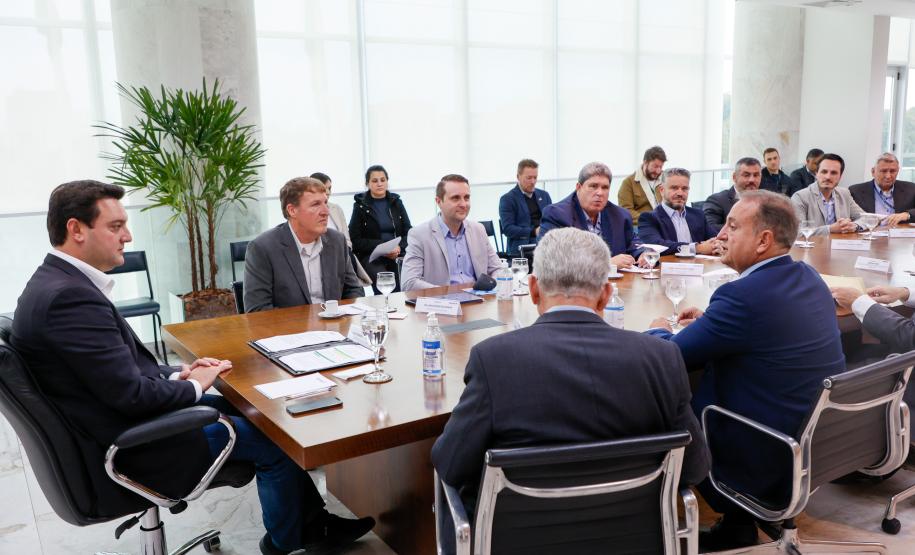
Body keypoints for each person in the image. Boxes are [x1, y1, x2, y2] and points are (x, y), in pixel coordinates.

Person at [10, 180, 375, 555]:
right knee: (274, 438)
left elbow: (110, 375)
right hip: (131, 445)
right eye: (115, 226)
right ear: (76, 230)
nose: (128, 235)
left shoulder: (55, 284)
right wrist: (195, 386)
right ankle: (290, 541)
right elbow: (130, 395)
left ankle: (311, 521)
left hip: (117, 425)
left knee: (262, 411)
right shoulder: (68, 298)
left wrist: (178, 374)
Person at [431, 227, 711, 555]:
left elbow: (449, 464)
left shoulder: (492, 360)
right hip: (632, 540)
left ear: (533, 289)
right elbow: (695, 468)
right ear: (606, 294)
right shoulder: (661, 358)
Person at [645, 190, 845, 550]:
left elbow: (671, 355)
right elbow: (763, 329)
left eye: (733, 226)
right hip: (812, 441)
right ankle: (737, 524)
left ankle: (647, 519)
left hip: (760, 448)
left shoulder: (742, 297)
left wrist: (657, 327)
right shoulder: (808, 276)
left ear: (763, 241)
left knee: (665, 397)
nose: (721, 234)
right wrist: (711, 323)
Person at [244, 177, 363, 312]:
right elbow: (258, 311)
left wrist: (340, 319)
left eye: (326, 203)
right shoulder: (262, 248)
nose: (326, 212)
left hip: (334, 329)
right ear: (292, 210)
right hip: (290, 331)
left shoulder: (337, 241)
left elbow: (353, 290)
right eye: (315, 204)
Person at [401, 174, 502, 291]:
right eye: (455, 198)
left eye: (467, 197)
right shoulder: (419, 234)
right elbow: (409, 283)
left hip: (480, 301)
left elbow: (498, 270)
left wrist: (489, 285)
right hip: (442, 304)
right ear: (439, 202)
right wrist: (449, 292)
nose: (463, 204)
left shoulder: (478, 229)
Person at [538, 161, 646, 268]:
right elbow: (550, 260)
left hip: (619, 284)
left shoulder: (620, 216)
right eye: (593, 186)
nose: (600, 193)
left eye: (605, 187)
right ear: (578, 187)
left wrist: (642, 253)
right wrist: (606, 264)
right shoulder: (556, 214)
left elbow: (633, 242)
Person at [349, 165, 412, 293]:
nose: (379, 184)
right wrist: (382, 247)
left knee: (404, 286)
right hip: (372, 256)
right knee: (385, 285)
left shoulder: (396, 202)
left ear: (387, 182)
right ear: (367, 183)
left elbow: (409, 232)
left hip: (397, 253)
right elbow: (355, 240)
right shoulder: (360, 206)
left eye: (383, 180)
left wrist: (399, 247)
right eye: (375, 180)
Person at [636, 168, 721, 255]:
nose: (680, 193)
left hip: (701, 265)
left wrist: (717, 244)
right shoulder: (649, 218)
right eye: (674, 188)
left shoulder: (698, 215)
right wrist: (696, 248)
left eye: (684, 189)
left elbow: (715, 239)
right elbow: (656, 246)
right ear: (662, 190)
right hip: (668, 267)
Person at [309, 171, 371, 285]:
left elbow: (347, 239)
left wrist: (341, 251)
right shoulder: (307, 212)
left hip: (341, 255)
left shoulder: (336, 209)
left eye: (329, 188)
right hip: (318, 256)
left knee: (353, 283)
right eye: (323, 188)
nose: (327, 192)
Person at [791, 152, 864, 236]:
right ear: (816, 173)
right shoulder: (800, 197)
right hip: (814, 248)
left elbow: (866, 219)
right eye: (824, 172)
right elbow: (797, 232)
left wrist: (854, 226)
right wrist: (830, 229)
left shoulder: (845, 194)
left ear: (840, 176)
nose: (828, 177)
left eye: (833, 173)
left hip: (840, 247)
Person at [498, 158, 552, 255]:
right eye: (529, 178)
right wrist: (533, 232)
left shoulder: (544, 196)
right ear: (518, 177)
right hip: (521, 250)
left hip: (544, 246)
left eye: (535, 177)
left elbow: (551, 220)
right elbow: (508, 229)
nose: (533, 181)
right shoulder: (508, 199)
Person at [849, 152, 915, 225]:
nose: (888, 176)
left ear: (898, 171)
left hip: (899, 234)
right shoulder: (855, 191)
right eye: (883, 171)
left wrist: (907, 215)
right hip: (870, 234)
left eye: (892, 171)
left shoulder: (911, 189)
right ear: (873, 172)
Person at [703, 157, 761, 228]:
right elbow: (711, 228)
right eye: (746, 175)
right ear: (734, 177)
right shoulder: (717, 200)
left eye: (756, 175)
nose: (752, 180)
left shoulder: (766, 201)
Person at [617, 145, 667, 223]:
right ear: (645, 162)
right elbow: (626, 211)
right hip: (643, 225)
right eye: (655, 166)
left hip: (664, 223)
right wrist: (650, 219)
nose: (658, 171)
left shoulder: (665, 179)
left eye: (660, 167)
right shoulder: (628, 183)